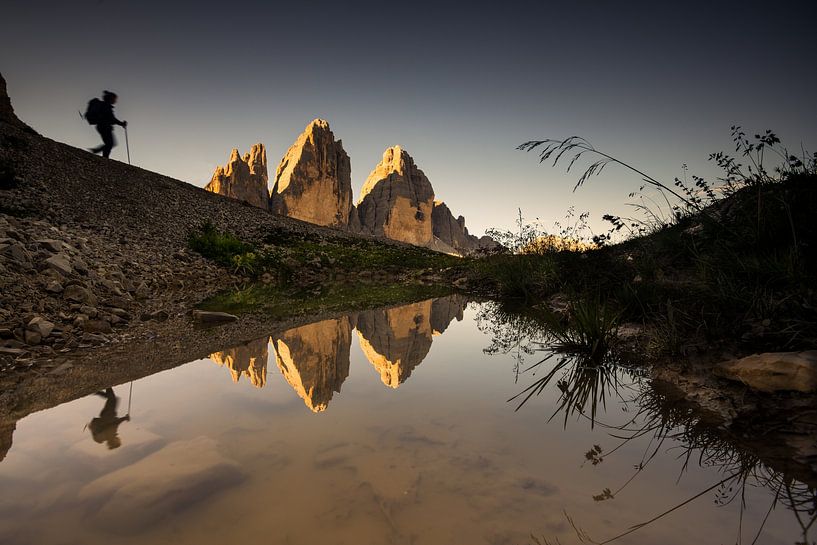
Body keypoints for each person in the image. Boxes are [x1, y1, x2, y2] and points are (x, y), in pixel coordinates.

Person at [88, 91, 127, 158]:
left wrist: (120, 123)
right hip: (104, 126)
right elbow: (111, 118)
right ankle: (102, 155)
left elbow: (111, 119)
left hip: (101, 126)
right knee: (110, 143)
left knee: (109, 143)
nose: (115, 101)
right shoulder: (106, 106)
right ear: (111, 98)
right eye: (115, 99)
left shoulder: (104, 105)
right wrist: (121, 123)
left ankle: (99, 153)